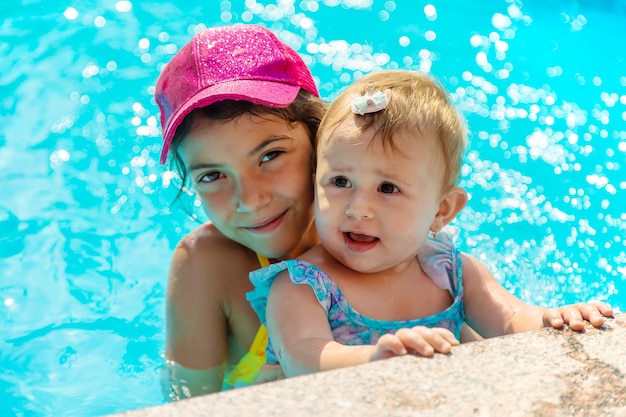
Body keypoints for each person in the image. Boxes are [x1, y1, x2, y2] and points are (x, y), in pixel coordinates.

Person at [246, 70, 614, 377]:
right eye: (340, 181)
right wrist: (373, 359)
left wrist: (557, 318)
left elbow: (511, 319)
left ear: (442, 210)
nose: (358, 208)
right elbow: (304, 358)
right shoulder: (301, 285)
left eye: (388, 188)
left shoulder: (450, 271)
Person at [154, 24, 327, 397]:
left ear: (319, 135)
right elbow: (185, 404)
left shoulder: (376, 220)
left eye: (270, 156)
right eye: (213, 175)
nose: (250, 200)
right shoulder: (206, 266)